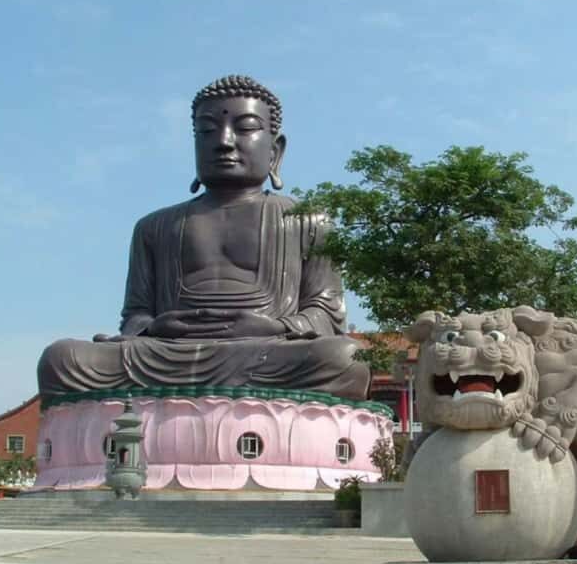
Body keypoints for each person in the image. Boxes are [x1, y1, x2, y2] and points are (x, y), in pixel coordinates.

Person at [38, 75, 370, 400]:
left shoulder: (308, 220)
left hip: (267, 351)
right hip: (167, 354)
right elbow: (135, 315)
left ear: (275, 150)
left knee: (346, 359)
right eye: (207, 130)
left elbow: (326, 312)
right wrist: (153, 328)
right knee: (62, 359)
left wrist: (277, 327)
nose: (224, 141)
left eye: (245, 128)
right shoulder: (155, 226)